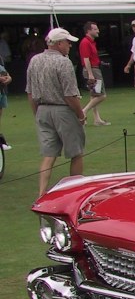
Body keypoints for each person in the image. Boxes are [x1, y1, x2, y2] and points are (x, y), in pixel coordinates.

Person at [26, 27, 86, 197]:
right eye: (68, 42)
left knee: (48, 154)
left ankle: (41, 192)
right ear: (59, 43)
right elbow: (70, 95)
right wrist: (80, 115)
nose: (70, 46)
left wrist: (36, 113)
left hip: (42, 109)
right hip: (63, 110)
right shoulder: (64, 62)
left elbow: (30, 92)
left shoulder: (34, 60)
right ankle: (76, 191)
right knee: (76, 152)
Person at [78, 21, 109, 125]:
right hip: (93, 70)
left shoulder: (90, 42)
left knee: (94, 95)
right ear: (88, 31)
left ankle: (97, 119)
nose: (98, 31)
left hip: (94, 69)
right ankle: (83, 112)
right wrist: (91, 74)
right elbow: (86, 59)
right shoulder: (85, 42)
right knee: (101, 95)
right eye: (95, 29)